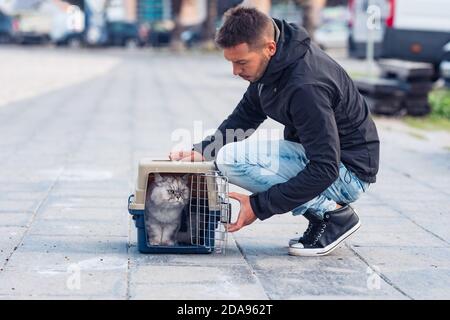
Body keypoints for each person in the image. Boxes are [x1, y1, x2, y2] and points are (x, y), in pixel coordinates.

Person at [169, 7, 380, 256]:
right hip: (329, 161)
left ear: (269, 48)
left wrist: (258, 206)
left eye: (241, 62)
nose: (235, 72)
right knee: (223, 155)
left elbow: (325, 167)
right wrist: (204, 151)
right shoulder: (274, 62)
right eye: (231, 62)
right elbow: (247, 113)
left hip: (349, 173)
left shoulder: (306, 86)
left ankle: (334, 216)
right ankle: (324, 214)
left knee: (232, 159)